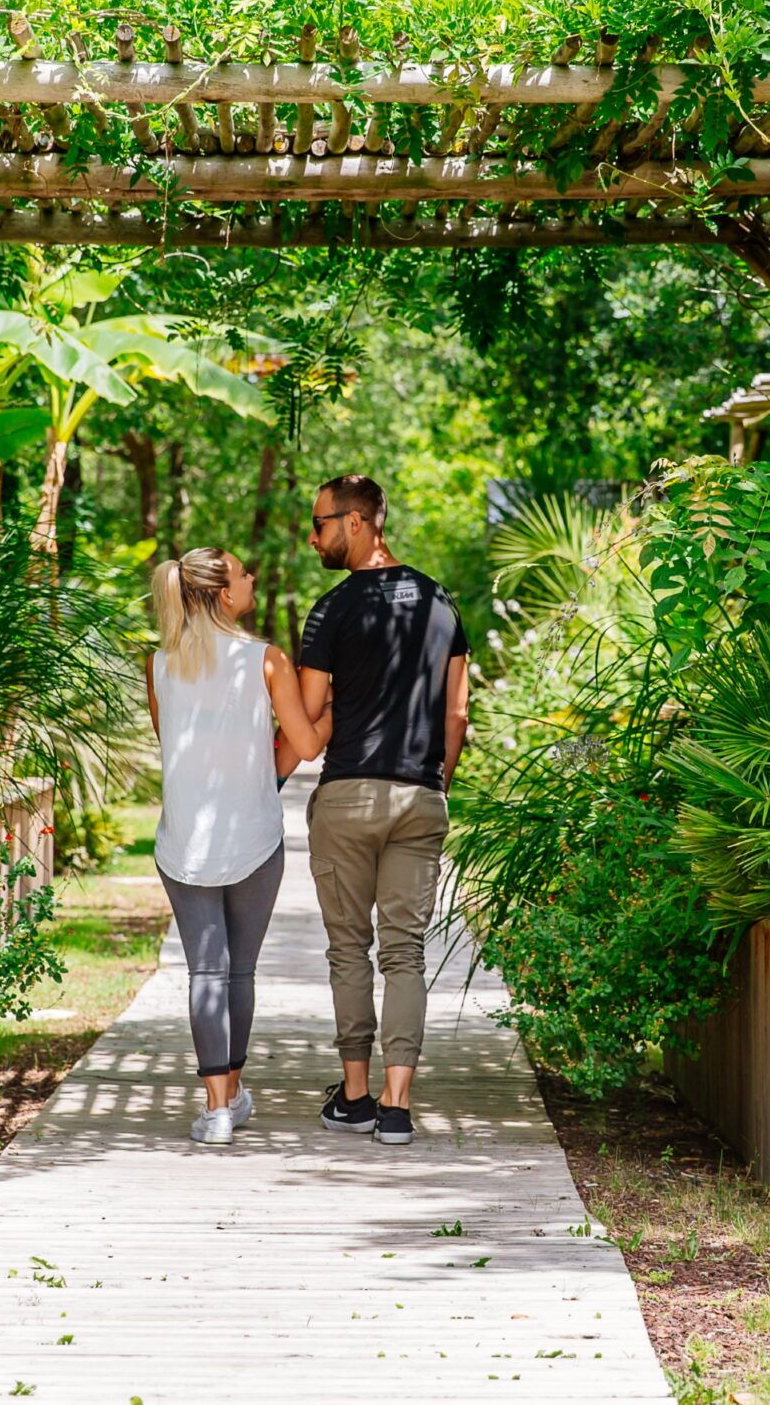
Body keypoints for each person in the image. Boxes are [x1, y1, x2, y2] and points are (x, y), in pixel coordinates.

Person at [296, 475, 471, 1147]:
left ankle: (358, 1095)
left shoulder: (331, 610)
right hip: (420, 795)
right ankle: (398, 1107)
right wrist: (436, 784)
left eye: (321, 523)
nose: (314, 535)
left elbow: (311, 715)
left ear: (359, 522)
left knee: (349, 949)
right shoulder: (442, 601)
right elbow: (457, 713)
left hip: (347, 795)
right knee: (405, 953)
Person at [148, 547, 327, 1145]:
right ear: (225, 593)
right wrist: (336, 710)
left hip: (183, 845)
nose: (252, 578)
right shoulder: (266, 660)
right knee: (239, 970)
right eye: (245, 573)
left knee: (206, 969)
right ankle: (231, 1097)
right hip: (253, 837)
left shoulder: (159, 666)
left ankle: (219, 1107)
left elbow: (180, 752)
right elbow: (300, 746)